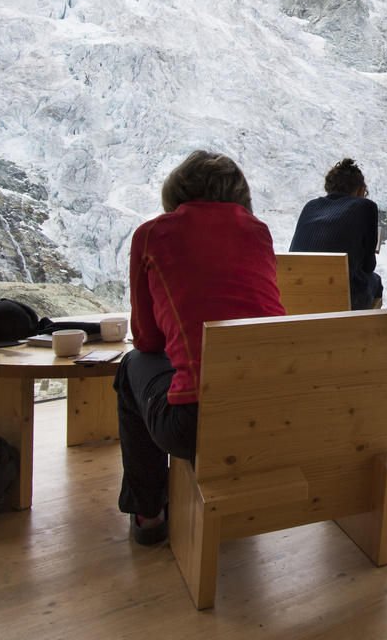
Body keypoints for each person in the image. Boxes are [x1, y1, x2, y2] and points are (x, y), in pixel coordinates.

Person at [114, 150, 285, 545]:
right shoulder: (258, 231)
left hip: (197, 425)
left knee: (133, 366)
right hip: (277, 411)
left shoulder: (152, 234)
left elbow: (147, 340)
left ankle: (148, 514)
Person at [288, 158, 384, 310]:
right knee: (376, 282)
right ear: (360, 190)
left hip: (297, 293)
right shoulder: (365, 206)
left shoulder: (310, 206)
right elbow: (368, 266)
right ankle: (359, 331)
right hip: (340, 298)